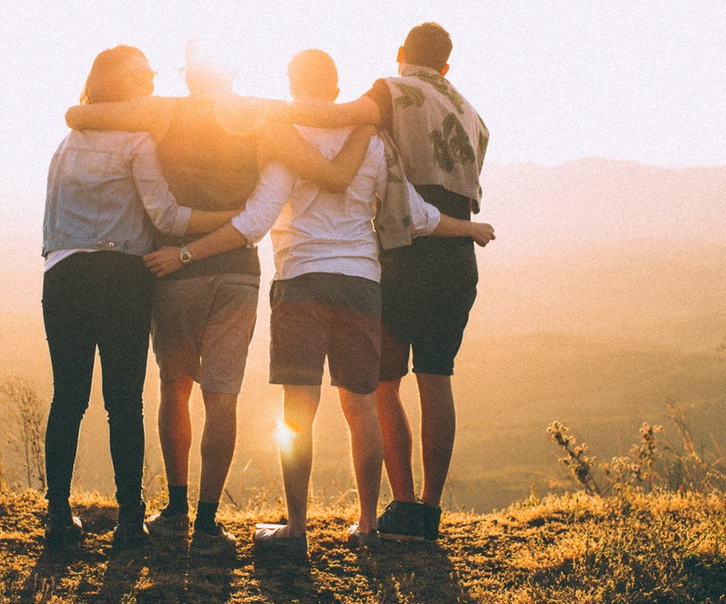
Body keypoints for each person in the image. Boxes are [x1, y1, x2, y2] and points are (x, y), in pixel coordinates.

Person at [144, 49, 493, 556]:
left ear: (292, 84)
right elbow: (416, 215)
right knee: (362, 408)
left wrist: (186, 253)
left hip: (300, 282)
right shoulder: (372, 142)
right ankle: (369, 526)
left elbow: (255, 222)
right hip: (361, 286)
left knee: (297, 413)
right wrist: (470, 228)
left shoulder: (286, 139)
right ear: (335, 89)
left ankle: (296, 529)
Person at [65, 40, 371, 555]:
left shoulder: (162, 113)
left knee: (175, 385)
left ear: (189, 77)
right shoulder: (261, 119)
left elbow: (79, 115)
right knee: (222, 396)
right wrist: (367, 123)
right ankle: (208, 523)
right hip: (237, 272)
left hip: (174, 268)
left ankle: (176, 508)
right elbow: (330, 174)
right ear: (233, 71)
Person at [268, 23, 491, 542]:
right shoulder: (474, 115)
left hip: (404, 251)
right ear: (447, 66)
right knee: (437, 378)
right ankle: (427, 514)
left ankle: (401, 505)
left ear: (400, 55)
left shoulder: (392, 91)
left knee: (381, 386)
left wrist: (262, 111)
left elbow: (336, 116)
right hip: (455, 254)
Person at [41, 45, 240, 551]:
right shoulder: (137, 142)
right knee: (123, 403)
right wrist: (232, 220)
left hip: (62, 275)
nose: (151, 82)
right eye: (143, 76)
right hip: (121, 278)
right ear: (119, 85)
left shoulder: (66, 144)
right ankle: (130, 520)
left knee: (68, 398)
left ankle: (58, 517)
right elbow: (168, 219)